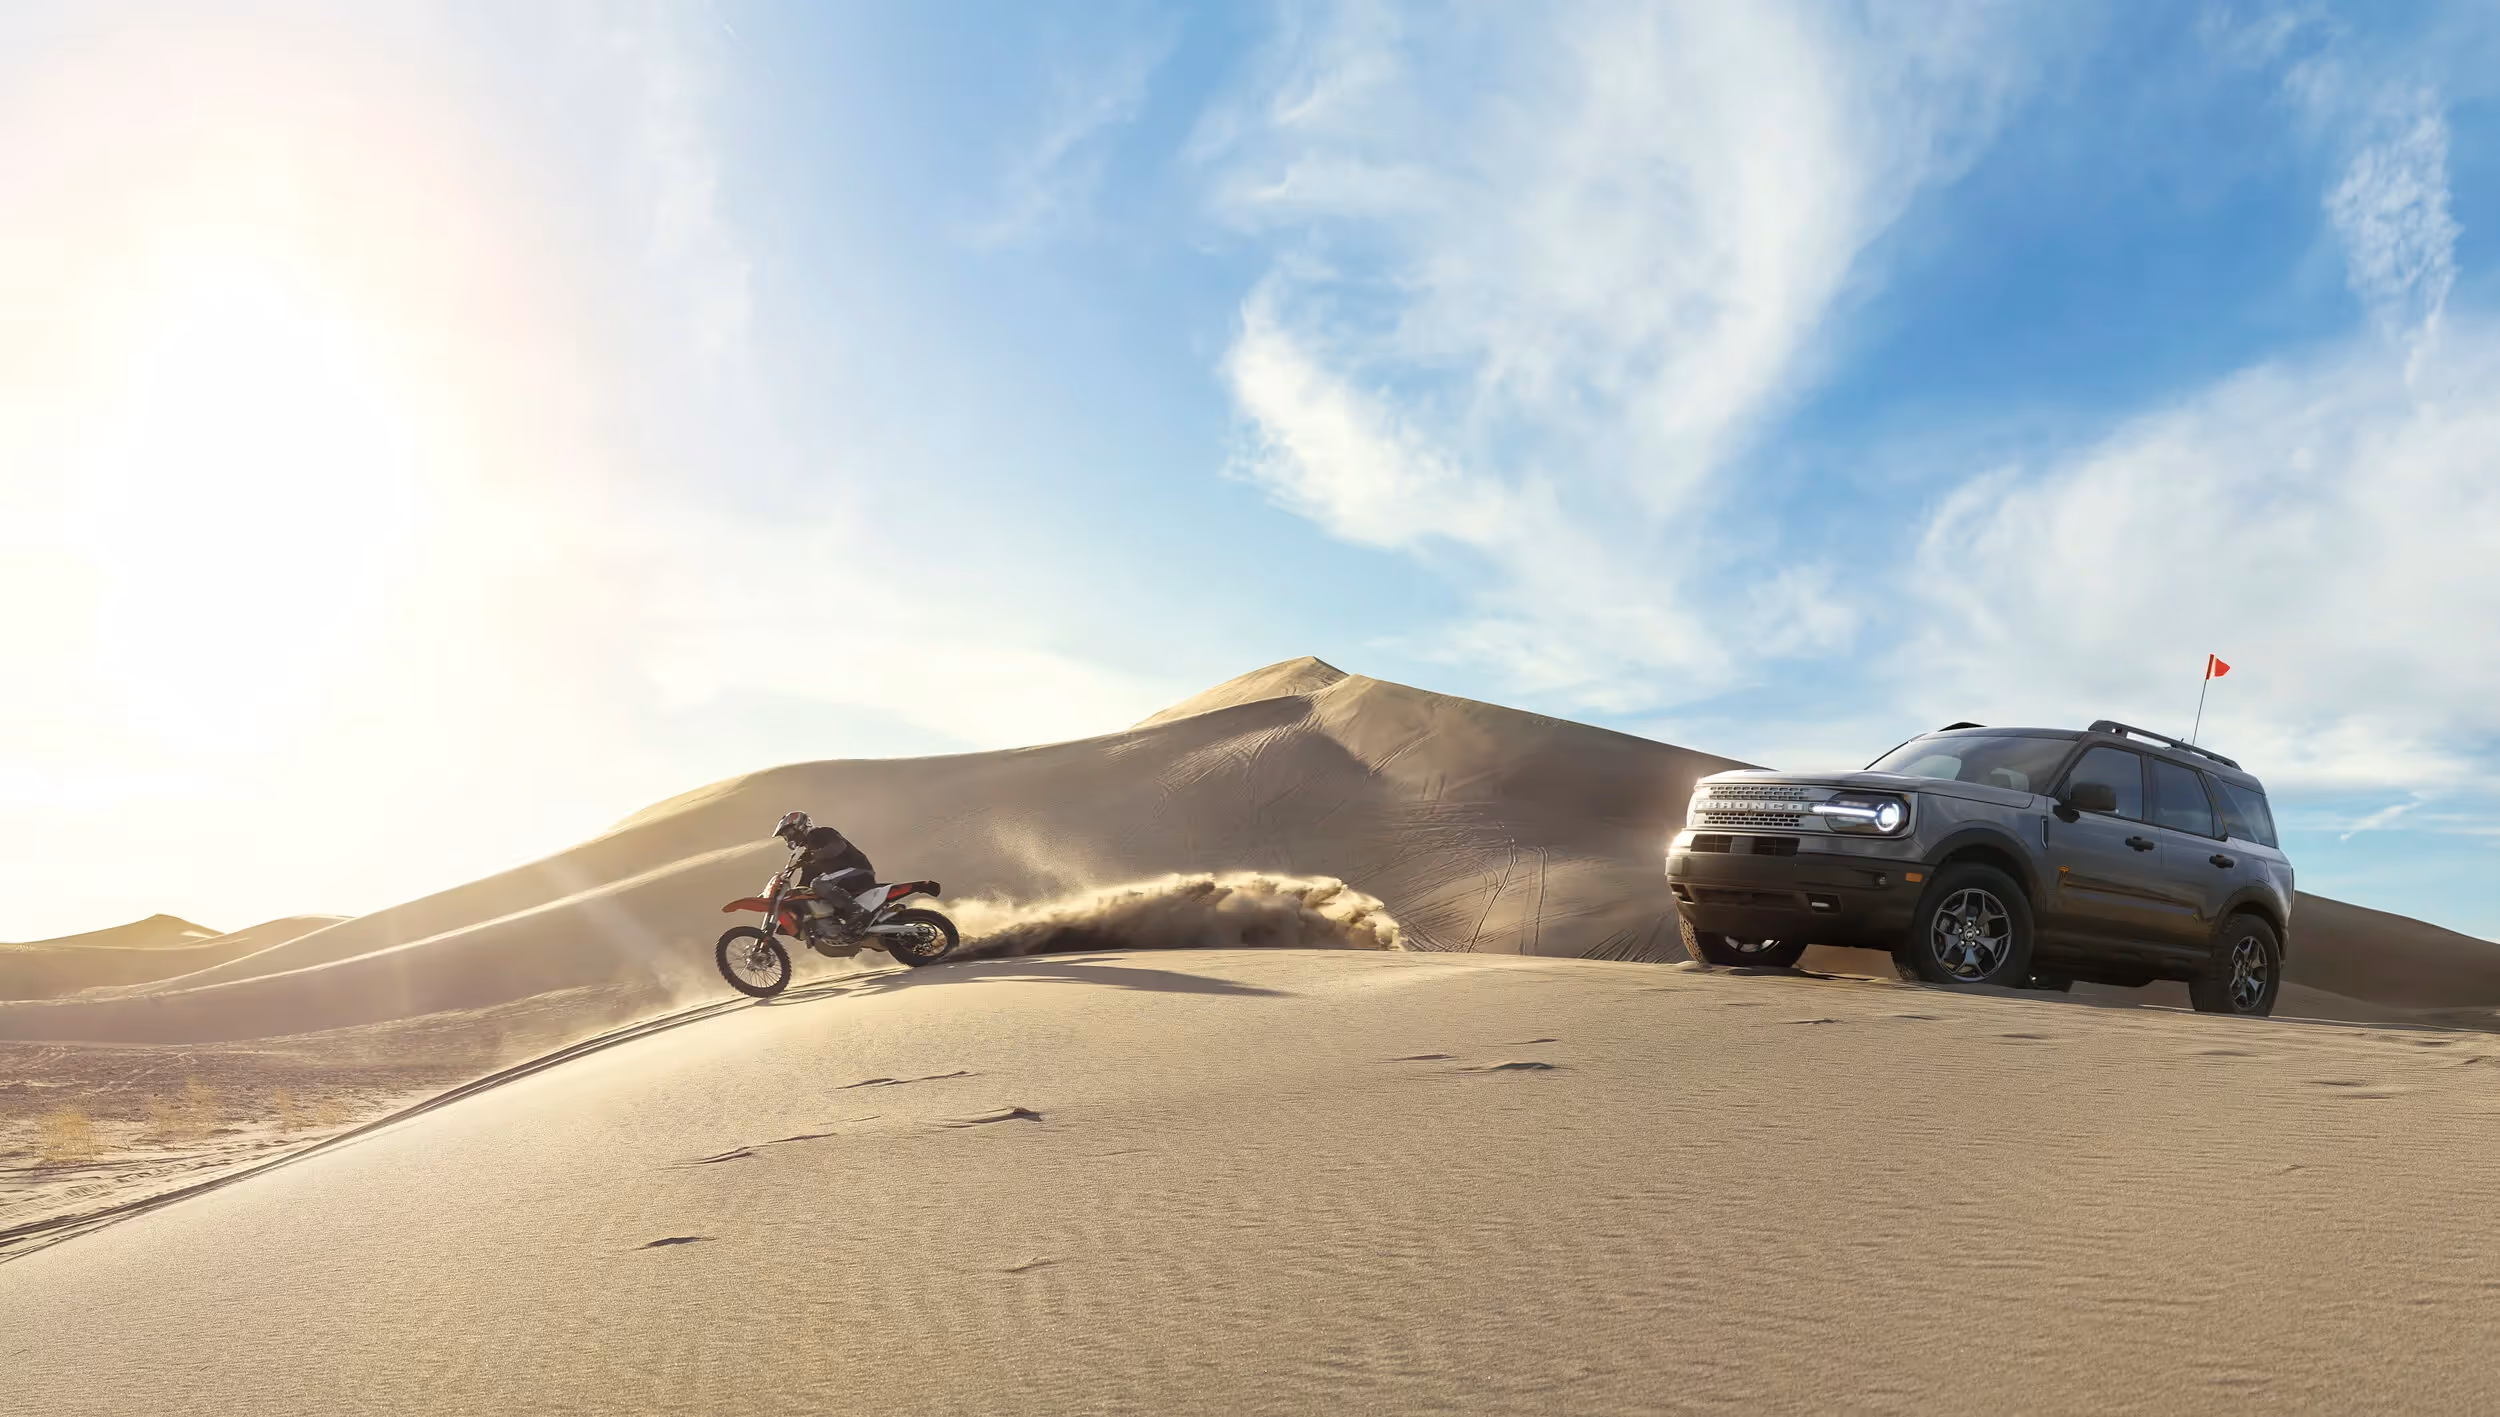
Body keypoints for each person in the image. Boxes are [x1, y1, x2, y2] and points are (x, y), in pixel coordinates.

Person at [773, 811, 878, 926]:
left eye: (789, 832)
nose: (788, 837)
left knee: (818, 883)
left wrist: (813, 855)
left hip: (858, 872)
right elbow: (806, 879)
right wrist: (793, 894)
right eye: (786, 835)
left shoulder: (823, 833)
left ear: (801, 825)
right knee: (811, 891)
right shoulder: (809, 851)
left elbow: (837, 848)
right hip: (843, 880)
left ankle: (857, 911)